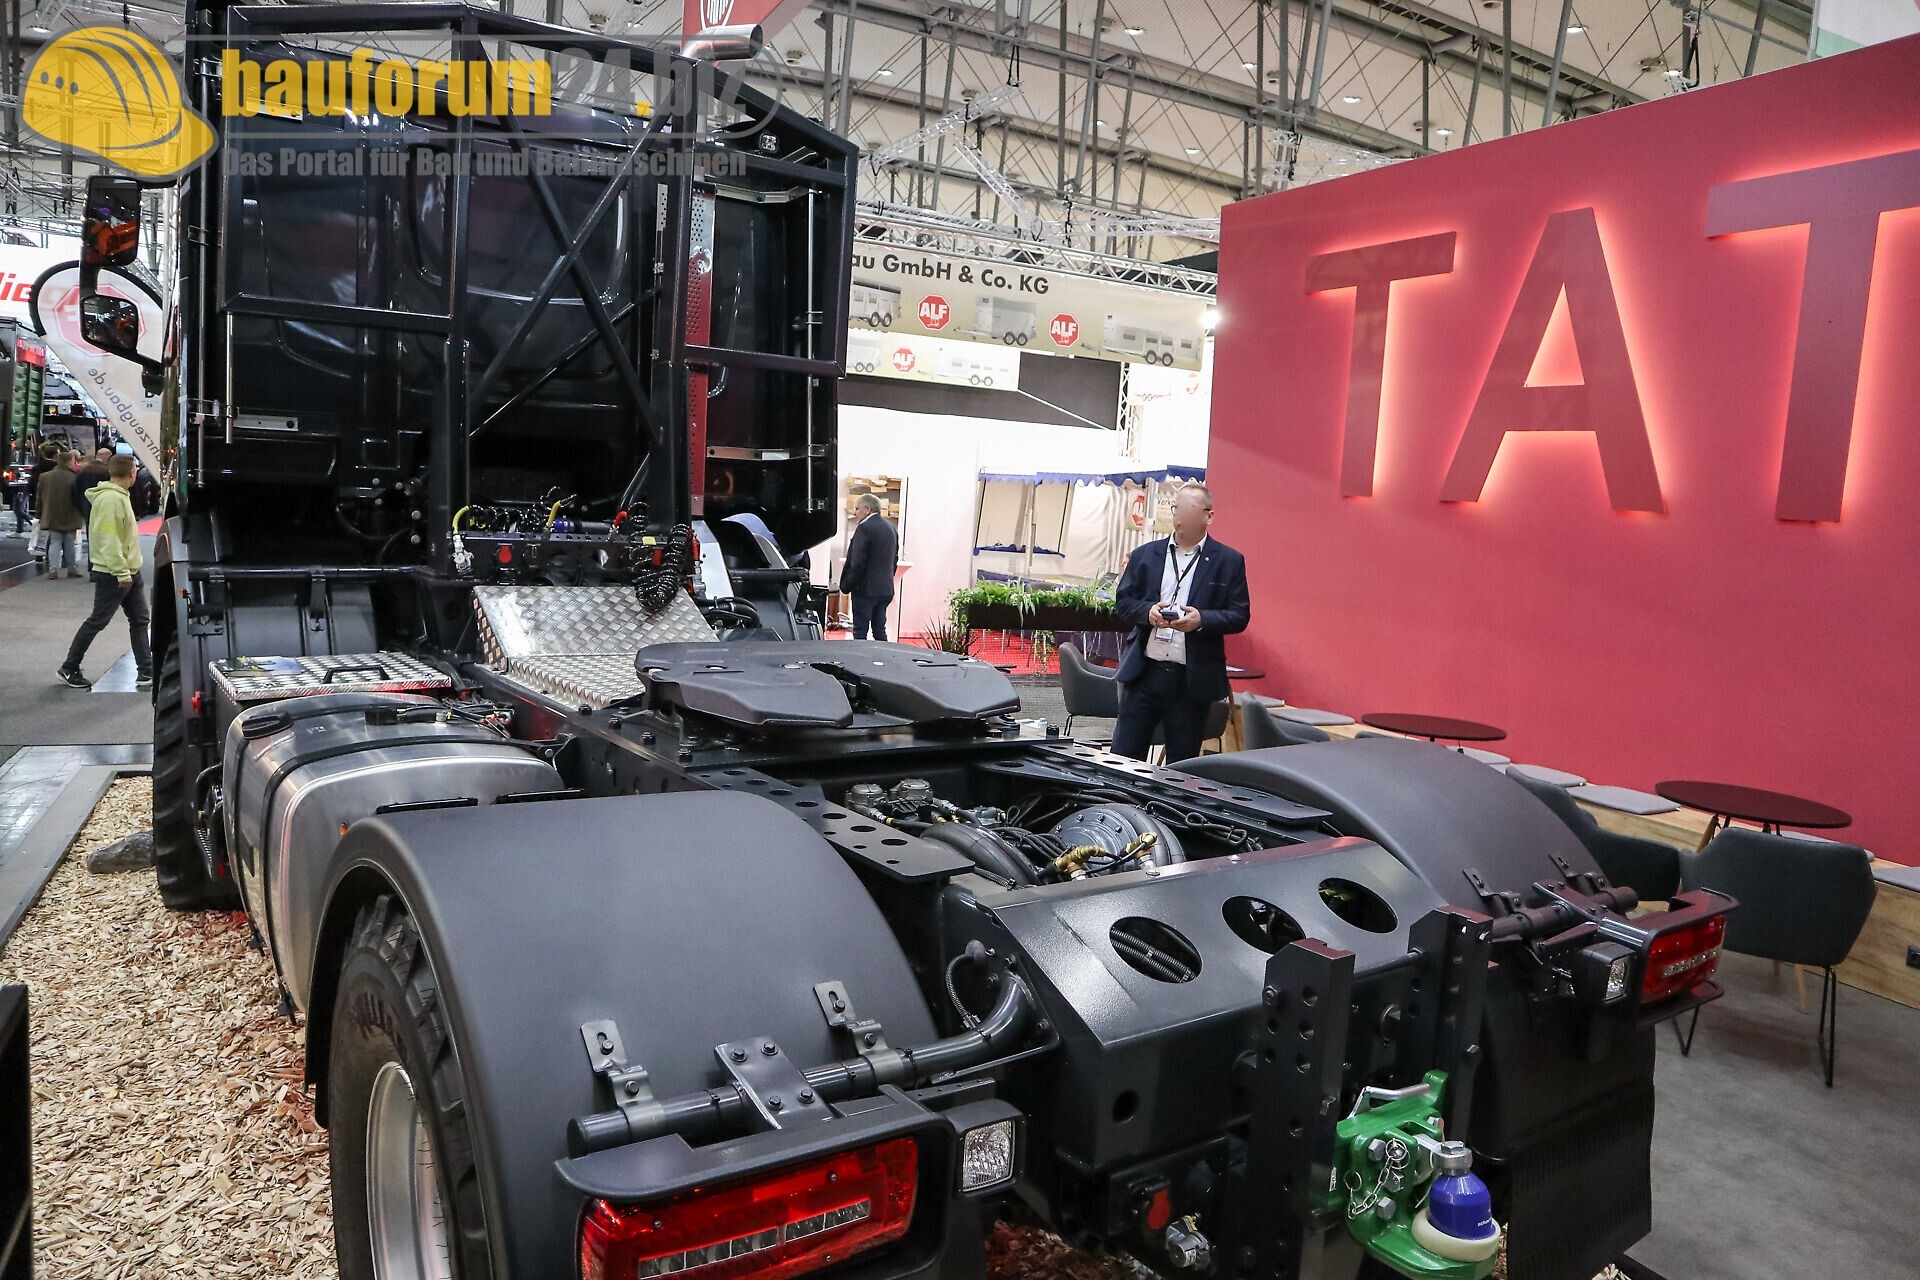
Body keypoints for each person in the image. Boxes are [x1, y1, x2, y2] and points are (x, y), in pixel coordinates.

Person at [1110, 482, 1251, 763]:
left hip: (1191, 681)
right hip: (1144, 674)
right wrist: (1147, 612)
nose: (1179, 517)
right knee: (1123, 760)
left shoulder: (1228, 561)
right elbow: (1123, 601)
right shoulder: (1145, 555)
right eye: (1177, 509)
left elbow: (1239, 615)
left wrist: (1202, 619)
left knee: (1180, 766)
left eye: (1188, 510)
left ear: (1208, 516)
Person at [58, 455, 151, 690]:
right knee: (98, 620)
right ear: (132, 473)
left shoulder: (117, 496)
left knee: (139, 620)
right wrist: (121, 572)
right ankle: (69, 667)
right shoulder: (111, 500)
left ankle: (146, 671)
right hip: (115, 573)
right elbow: (109, 540)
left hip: (126, 570)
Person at [839, 492, 898, 641]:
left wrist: (848, 585)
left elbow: (857, 562)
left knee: (860, 631)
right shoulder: (891, 528)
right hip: (885, 589)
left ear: (867, 509)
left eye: (857, 508)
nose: (855, 513)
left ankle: (860, 657)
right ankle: (883, 655)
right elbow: (894, 560)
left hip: (865, 590)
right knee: (879, 630)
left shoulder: (864, 528)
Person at [35, 449, 85, 580]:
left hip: (51, 514)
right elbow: (78, 498)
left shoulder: (45, 476)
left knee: (54, 543)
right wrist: (83, 513)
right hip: (70, 514)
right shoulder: (74, 478)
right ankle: (72, 569)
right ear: (68, 462)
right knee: (69, 544)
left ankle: (53, 570)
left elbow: (39, 497)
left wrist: (39, 513)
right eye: (73, 461)